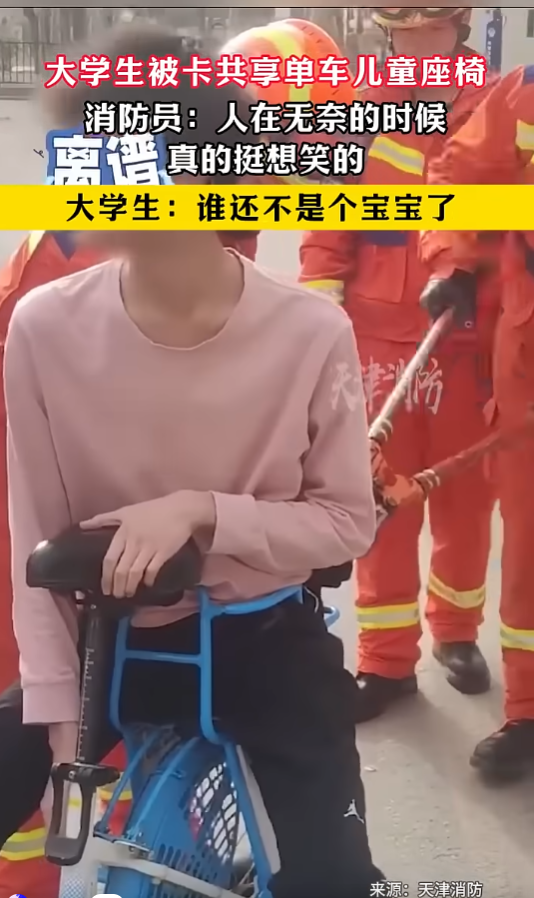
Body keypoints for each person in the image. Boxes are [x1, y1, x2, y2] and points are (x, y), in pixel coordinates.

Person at [0, 24, 384, 898]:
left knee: (332, 879)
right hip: (108, 642)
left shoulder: (310, 332)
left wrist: (202, 511)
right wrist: (59, 718)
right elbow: (36, 541)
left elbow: (344, 522)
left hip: (265, 640)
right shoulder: (43, 327)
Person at [300, 6, 501, 723]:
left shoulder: (501, 111)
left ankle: (456, 632)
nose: (416, 43)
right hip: (377, 345)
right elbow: (326, 228)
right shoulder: (357, 114)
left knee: (464, 505)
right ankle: (385, 662)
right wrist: (320, 331)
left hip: (471, 346)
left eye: (430, 28)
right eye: (404, 30)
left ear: (458, 28)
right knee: (378, 508)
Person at [421, 65, 534, 781]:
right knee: (529, 551)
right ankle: (528, 709)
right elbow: (460, 178)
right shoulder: (526, 95)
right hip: (528, 361)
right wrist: (457, 262)